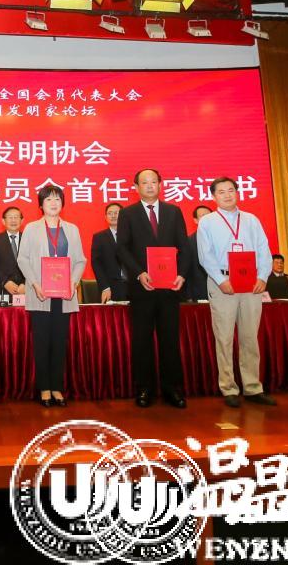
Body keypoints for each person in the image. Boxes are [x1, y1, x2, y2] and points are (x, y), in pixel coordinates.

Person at [197, 176, 276, 408]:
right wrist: (221, 280)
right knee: (224, 337)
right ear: (214, 197)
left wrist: (263, 277)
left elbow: (264, 250)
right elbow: (205, 255)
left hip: (251, 281)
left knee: (250, 336)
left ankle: (252, 387)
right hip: (222, 282)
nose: (227, 195)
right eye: (221, 192)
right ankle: (229, 387)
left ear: (237, 192)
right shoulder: (207, 222)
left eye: (231, 190)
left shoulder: (251, 219)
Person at [115, 168, 191, 409]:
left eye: (153, 182)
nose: (149, 186)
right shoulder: (128, 214)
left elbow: (184, 247)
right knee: (142, 340)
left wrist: (181, 274)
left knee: (170, 339)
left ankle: (172, 389)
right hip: (142, 288)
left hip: (170, 287)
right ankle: (144, 388)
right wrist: (139, 273)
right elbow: (122, 248)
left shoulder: (173, 211)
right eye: (144, 183)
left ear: (160, 185)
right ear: (136, 187)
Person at [16, 185, 86, 407]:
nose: (54, 203)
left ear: (62, 203)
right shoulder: (31, 228)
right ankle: (44, 388)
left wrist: (73, 282)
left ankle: (57, 387)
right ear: (41, 205)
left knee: (59, 342)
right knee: (42, 342)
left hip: (65, 296)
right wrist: (35, 284)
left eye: (57, 199)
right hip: (41, 295)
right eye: (48, 200)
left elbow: (80, 260)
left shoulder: (72, 229)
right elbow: (22, 259)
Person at [0, 206, 26, 304]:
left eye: (16, 217)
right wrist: (5, 282)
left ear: (22, 221)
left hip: (25, 290)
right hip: (1, 289)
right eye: (10, 217)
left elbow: (34, 264)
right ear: (3, 221)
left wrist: (25, 283)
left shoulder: (28, 239)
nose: (13, 220)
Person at [90, 202, 128, 302]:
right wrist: (105, 287)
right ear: (105, 217)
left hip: (133, 286)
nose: (113, 216)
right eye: (110, 213)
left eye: (116, 213)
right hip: (111, 288)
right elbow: (96, 264)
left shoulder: (132, 235)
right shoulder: (99, 237)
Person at [185, 205, 212, 301]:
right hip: (198, 293)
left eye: (210, 216)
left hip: (223, 291)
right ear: (196, 220)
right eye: (203, 216)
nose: (207, 219)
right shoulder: (188, 242)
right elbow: (186, 271)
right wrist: (188, 296)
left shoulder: (223, 239)